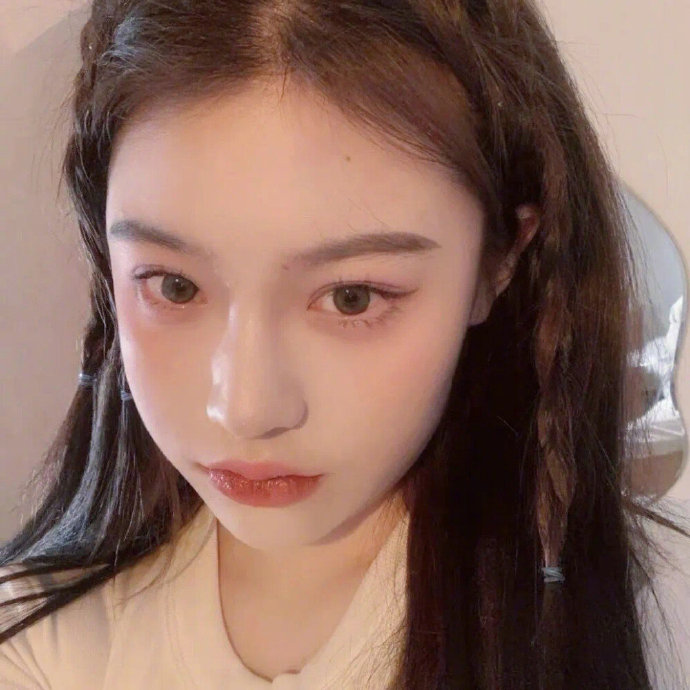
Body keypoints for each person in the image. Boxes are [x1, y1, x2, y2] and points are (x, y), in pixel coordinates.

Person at [1, 1, 689, 688]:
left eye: (351, 298)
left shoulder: (657, 616)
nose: (246, 409)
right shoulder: (40, 646)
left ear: (497, 262)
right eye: (174, 287)